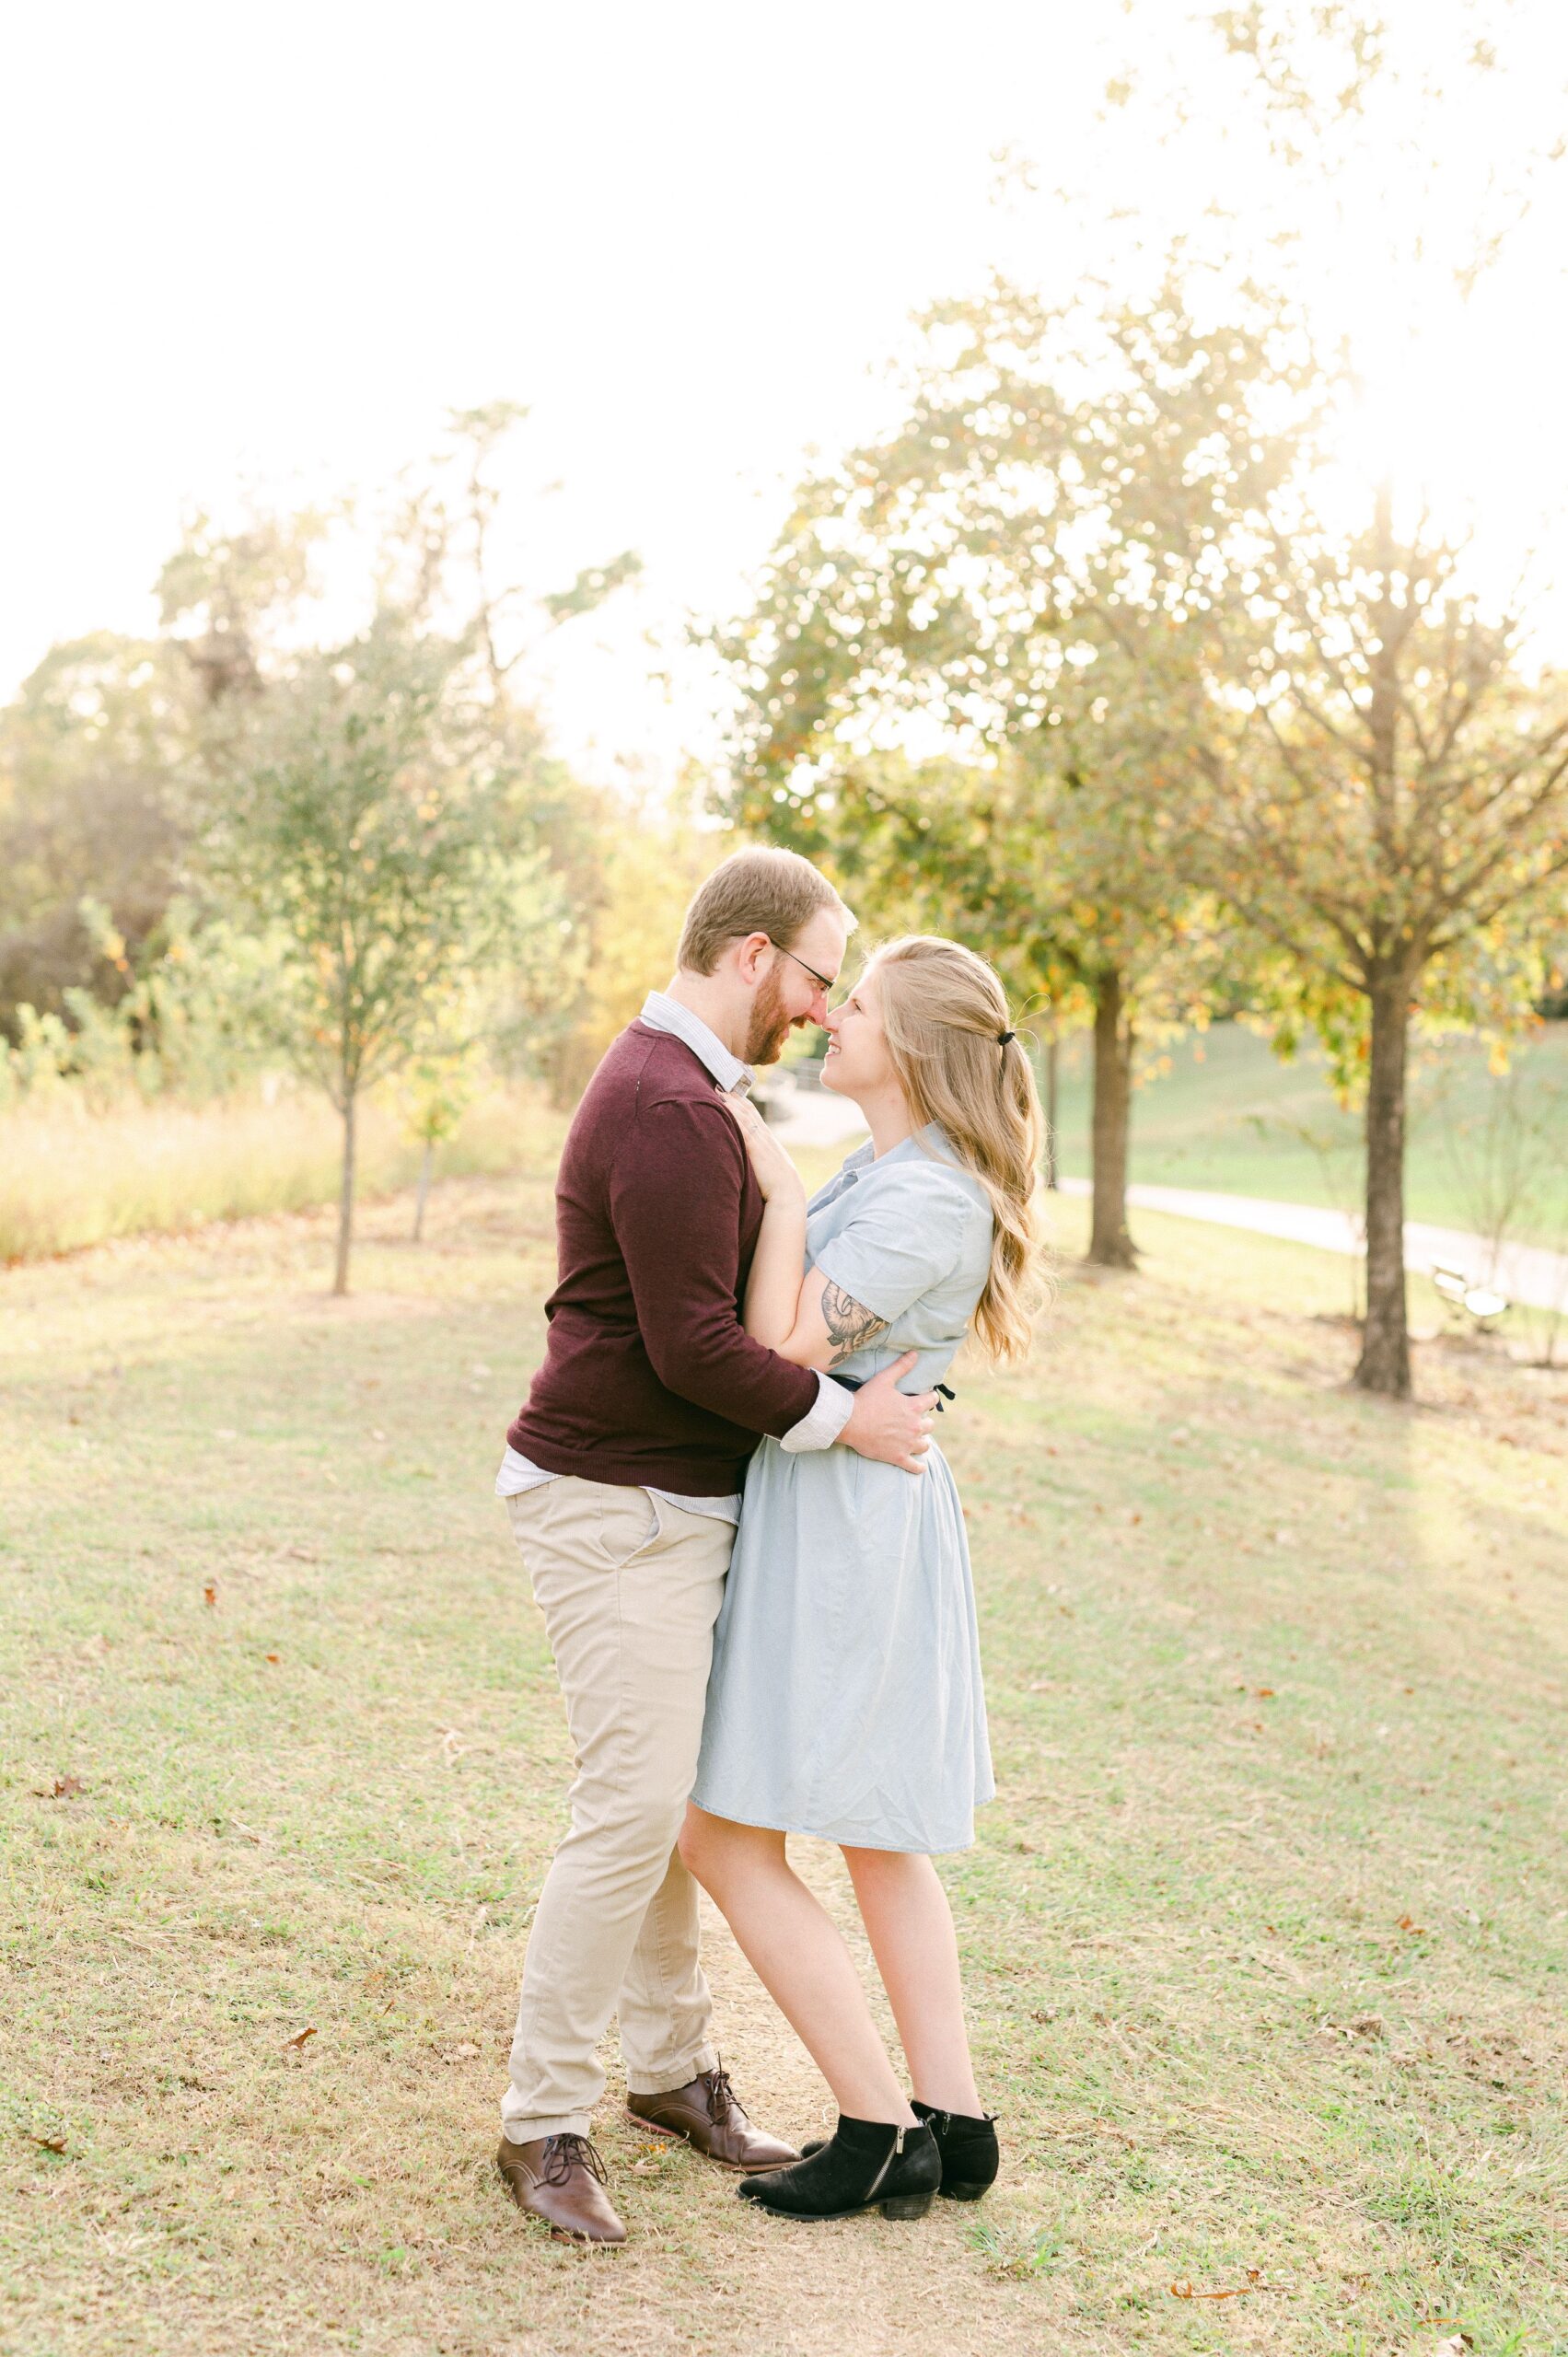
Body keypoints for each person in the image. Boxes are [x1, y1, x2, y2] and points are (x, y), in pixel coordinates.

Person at [493, 850, 941, 2244]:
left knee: (677, 1804)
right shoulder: (670, 1102)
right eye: (820, 974)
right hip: (617, 1503)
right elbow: (698, 1352)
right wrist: (843, 1421)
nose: (823, 1009)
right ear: (753, 956)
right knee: (633, 1809)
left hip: (669, 1501)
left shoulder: (696, 1092)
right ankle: (541, 2122)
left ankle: (671, 2071)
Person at [681, 934, 1044, 2223]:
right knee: (879, 1831)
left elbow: (779, 1340)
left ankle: (878, 2123)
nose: (834, 1016)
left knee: (719, 1828)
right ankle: (955, 2120)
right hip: (840, 1495)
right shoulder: (888, 1168)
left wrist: (777, 1201)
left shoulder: (929, 1199)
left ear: (921, 1047)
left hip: (847, 1521)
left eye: (863, 1006)